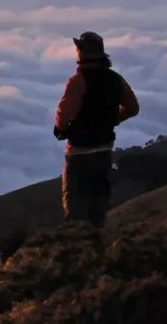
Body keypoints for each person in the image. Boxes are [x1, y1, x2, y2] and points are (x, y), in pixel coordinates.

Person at [53, 31, 140, 228]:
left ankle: (78, 250)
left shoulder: (78, 81)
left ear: (82, 52)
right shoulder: (115, 79)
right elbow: (132, 108)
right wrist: (112, 120)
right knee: (98, 204)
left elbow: (63, 114)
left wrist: (60, 130)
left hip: (78, 154)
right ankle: (98, 247)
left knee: (75, 209)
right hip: (104, 151)